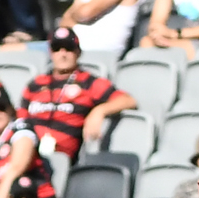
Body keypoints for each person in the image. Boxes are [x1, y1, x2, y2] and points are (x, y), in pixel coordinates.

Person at [22, 26, 135, 162]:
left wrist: (99, 111)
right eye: (57, 49)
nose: (63, 54)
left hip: (63, 158)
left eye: (68, 48)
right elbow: (20, 121)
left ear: (78, 52)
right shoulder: (35, 85)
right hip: (29, 153)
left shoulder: (89, 82)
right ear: (50, 52)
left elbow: (128, 100)